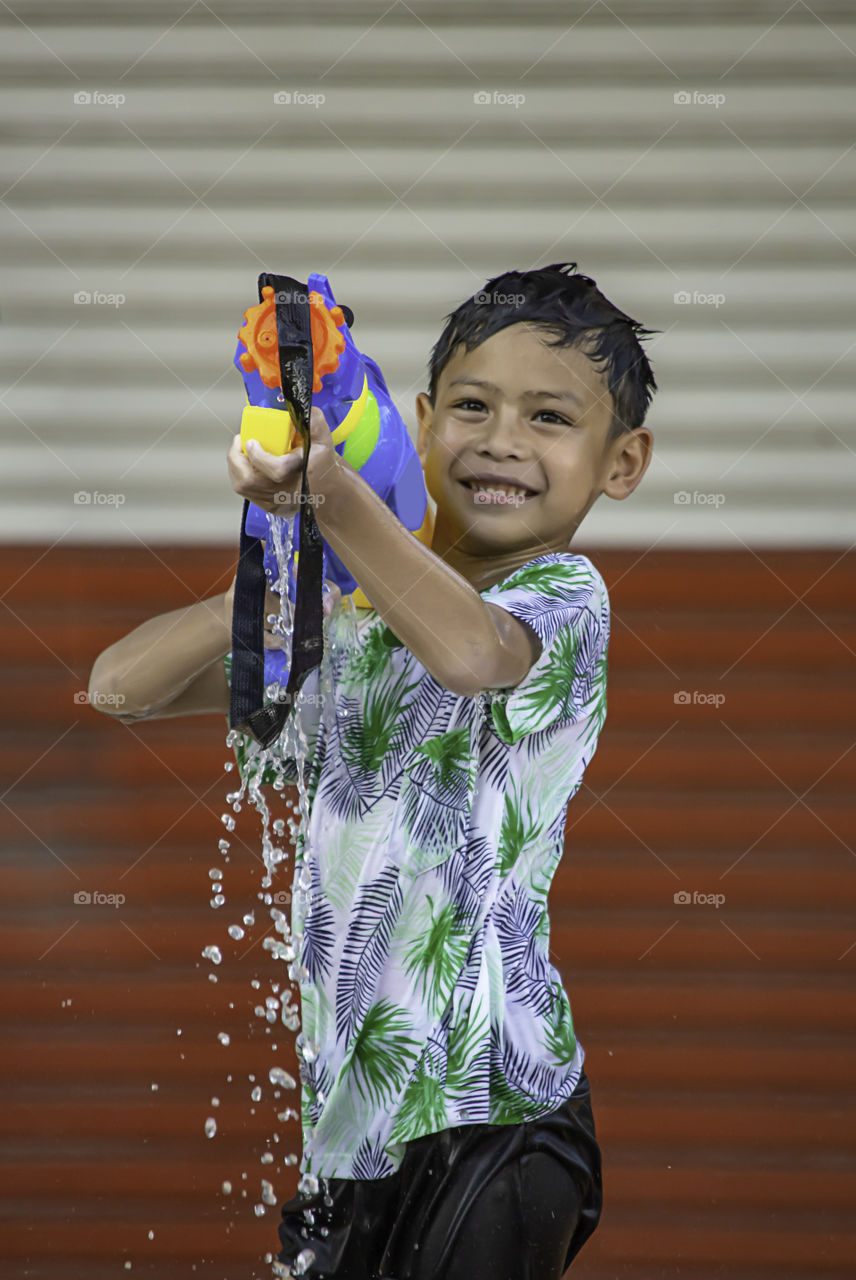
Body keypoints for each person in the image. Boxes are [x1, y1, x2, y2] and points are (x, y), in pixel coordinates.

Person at [90, 262, 657, 1279]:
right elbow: (119, 685)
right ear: (423, 419)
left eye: (549, 417)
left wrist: (338, 500)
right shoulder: (353, 623)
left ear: (621, 464)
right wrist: (289, 560)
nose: (502, 440)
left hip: (499, 1114)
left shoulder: (564, 597)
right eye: (474, 407)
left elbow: (473, 654)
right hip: (355, 1131)